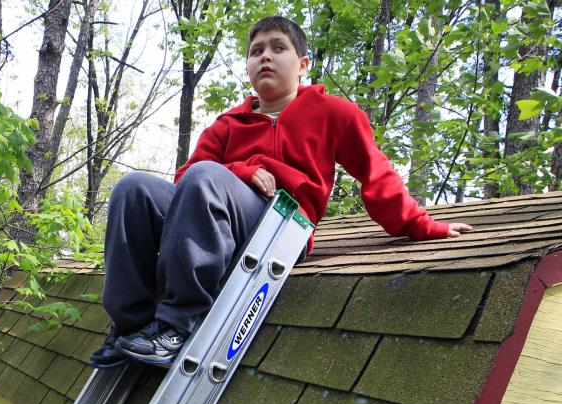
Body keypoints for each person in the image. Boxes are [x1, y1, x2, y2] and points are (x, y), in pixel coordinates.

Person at [91, 15, 472, 367]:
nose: (265, 58)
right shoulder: (228, 124)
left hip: (284, 224)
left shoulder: (334, 113)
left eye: (278, 48)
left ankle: (176, 325)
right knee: (133, 188)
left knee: (206, 177)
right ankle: (130, 326)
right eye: (256, 51)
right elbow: (186, 178)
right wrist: (242, 169)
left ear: (303, 63)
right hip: (221, 216)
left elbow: (377, 173)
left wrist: (425, 226)